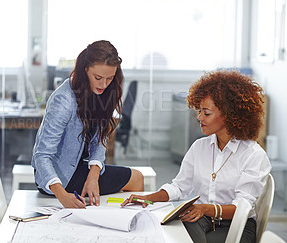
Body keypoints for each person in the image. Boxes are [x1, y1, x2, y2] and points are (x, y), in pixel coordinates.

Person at [121, 70, 271, 243]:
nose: (199, 117)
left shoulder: (253, 155)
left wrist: (204, 209)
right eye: (199, 111)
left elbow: (242, 208)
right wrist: (149, 197)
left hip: (237, 225)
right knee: (173, 230)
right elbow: (179, 187)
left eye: (206, 113)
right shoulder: (199, 147)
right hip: (202, 219)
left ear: (230, 115)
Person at [31, 40, 144, 208]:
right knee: (136, 179)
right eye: (98, 77)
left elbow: (99, 140)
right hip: (60, 178)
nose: (104, 85)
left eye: (110, 78)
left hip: (80, 166)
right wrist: (62, 195)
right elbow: (41, 155)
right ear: (85, 70)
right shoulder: (64, 100)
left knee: (126, 184)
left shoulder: (100, 93)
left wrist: (93, 175)